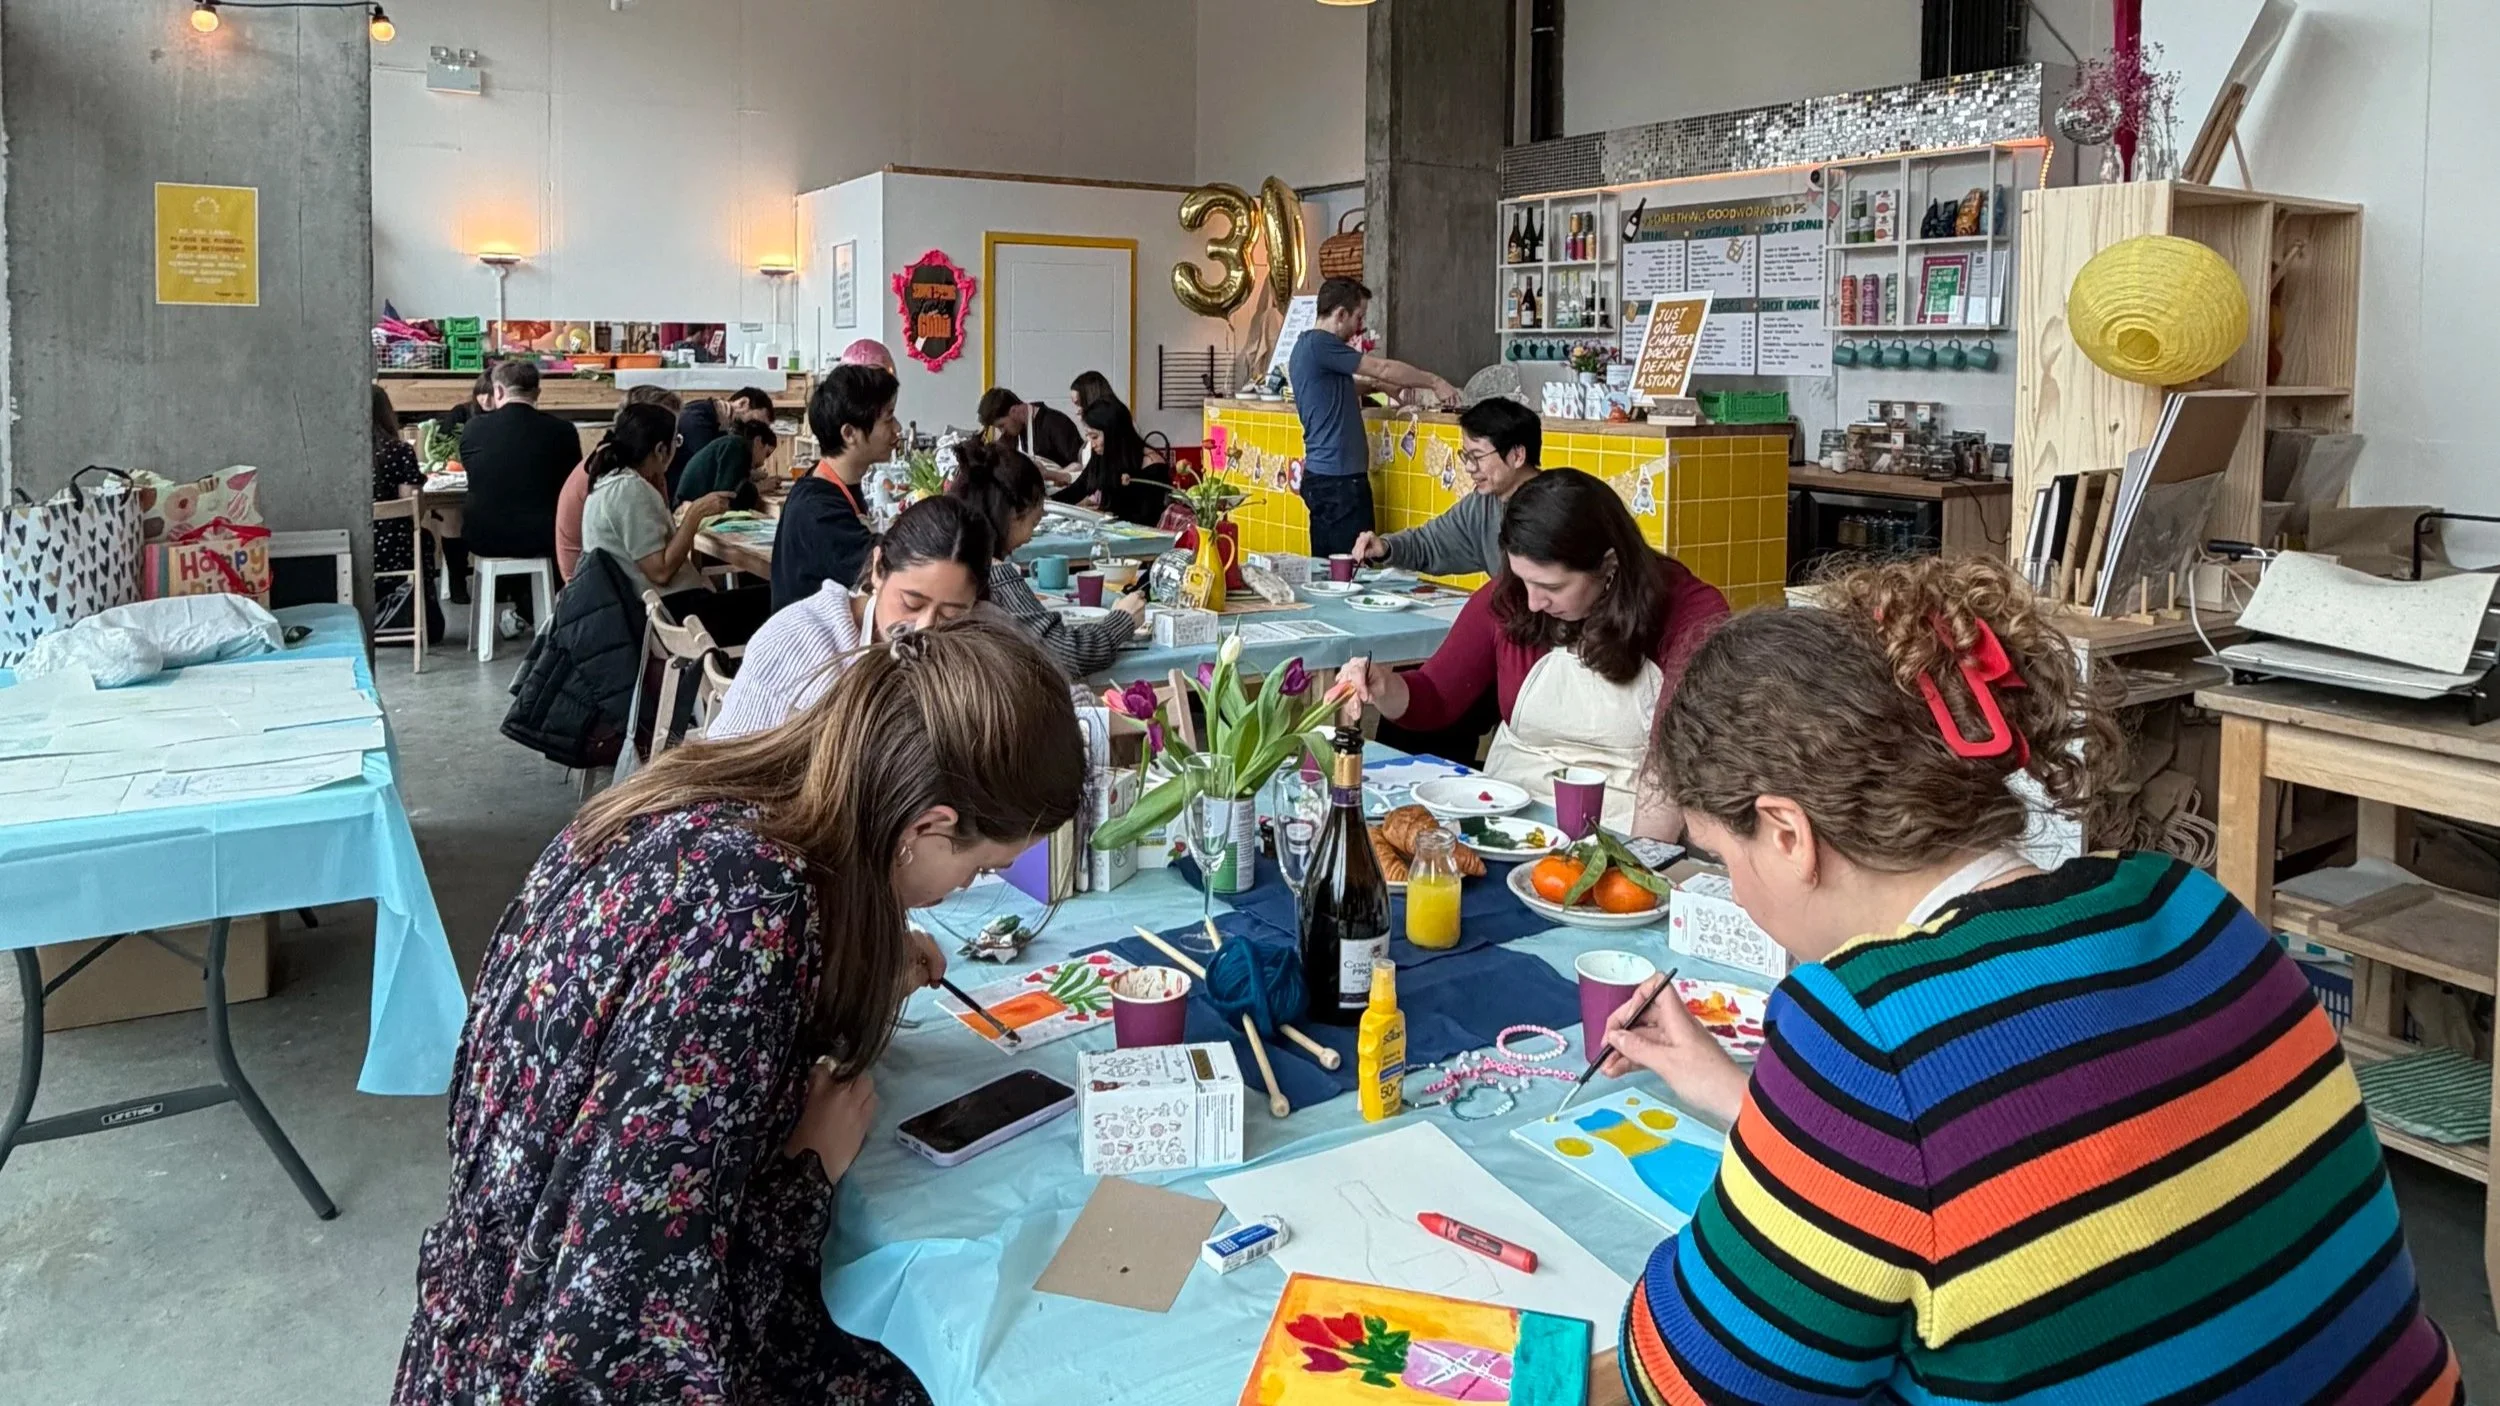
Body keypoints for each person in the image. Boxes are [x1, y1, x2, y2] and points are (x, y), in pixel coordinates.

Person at [1608, 553, 2460, 1405]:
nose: (1735, 889)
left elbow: (1691, 1381)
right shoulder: (2190, 906)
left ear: (1788, 834)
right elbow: (2036, 1147)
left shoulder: (1867, 1033)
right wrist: (1746, 1099)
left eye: (1721, 856)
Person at [395, 619, 1084, 1406]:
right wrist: (809, 1170)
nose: (966, 889)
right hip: (538, 1365)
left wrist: (850, 977)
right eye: (979, 866)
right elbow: (628, 1331)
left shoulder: (700, 805)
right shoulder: (752, 919)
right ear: (926, 827)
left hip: (479, 1309)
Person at [1340, 469, 1725, 838]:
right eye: (1522, 580)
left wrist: (1640, 861)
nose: (1534, 602)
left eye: (1551, 587)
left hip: (1627, 825)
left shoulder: (1690, 613)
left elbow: (1676, 756)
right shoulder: (1511, 599)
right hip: (1507, 815)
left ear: (1609, 566)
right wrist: (1385, 687)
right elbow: (1437, 697)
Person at [712, 495, 992, 740]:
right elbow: (725, 770)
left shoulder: (973, 648)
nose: (925, 627)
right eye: (911, 603)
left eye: (951, 614)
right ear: (879, 570)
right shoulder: (800, 644)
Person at [1289, 277, 1460, 558]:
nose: (1360, 326)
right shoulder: (1322, 345)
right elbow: (1381, 367)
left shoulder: (1307, 347)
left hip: (1328, 479)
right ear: (1341, 314)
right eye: (1358, 316)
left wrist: (1379, 387)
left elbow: (1340, 387)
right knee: (1355, 566)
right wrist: (1434, 381)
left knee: (1330, 567)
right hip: (1339, 483)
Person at [950, 438, 1145, 679]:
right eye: (1034, 522)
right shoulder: (996, 574)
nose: (1030, 537)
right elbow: (1067, 654)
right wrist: (1123, 620)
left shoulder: (952, 556)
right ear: (1013, 515)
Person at [1350, 396, 1540, 579]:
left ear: (1517, 456)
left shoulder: (1556, 508)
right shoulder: (1481, 505)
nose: (1469, 467)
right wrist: (1386, 548)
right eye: (1466, 456)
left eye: (1478, 456)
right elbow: (1429, 544)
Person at [460, 360, 584, 632]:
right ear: (537, 394)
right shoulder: (562, 432)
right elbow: (570, 484)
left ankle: (523, 611)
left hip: (484, 535)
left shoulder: (474, 430)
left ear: (499, 392)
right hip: (544, 535)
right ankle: (537, 612)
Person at [773, 364, 898, 612]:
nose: (897, 428)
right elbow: (889, 568)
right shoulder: (818, 509)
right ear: (849, 433)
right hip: (815, 647)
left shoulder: (830, 486)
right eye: (888, 418)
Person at [579, 402, 735, 597]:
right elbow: (661, 572)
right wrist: (696, 514)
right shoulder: (629, 489)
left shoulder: (610, 480)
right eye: (676, 441)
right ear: (661, 450)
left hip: (659, 605)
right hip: (668, 610)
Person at [559, 384, 681, 582]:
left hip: (615, 577)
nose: (674, 445)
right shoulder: (618, 479)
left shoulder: (631, 467)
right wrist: (693, 518)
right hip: (596, 587)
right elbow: (660, 570)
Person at [370, 383, 443, 644]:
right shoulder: (399, 451)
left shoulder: (344, 455)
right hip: (395, 550)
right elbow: (412, 508)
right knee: (422, 537)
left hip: (355, 547)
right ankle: (418, 620)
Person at [1056, 396, 1172, 526]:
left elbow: (1146, 519)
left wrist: (1102, 515)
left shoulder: (1153, 466)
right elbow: (1078, 488)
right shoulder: (1102, 454)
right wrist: (1045, 503)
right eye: (1088, 436)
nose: (1091, 444)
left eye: (1094, 437)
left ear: (1114, 434)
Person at [673, 385, 774, 498]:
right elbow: (723, 488)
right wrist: (759, 486)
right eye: (757, 423)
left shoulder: (719, 426)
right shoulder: (696, 420)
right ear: (743, 403)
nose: (759, 433)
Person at [672, 418, 778, 511]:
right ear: (758, 441)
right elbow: (728, 495)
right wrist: (760, 487)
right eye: (766, 454)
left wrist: (751, 476)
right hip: (687, 507)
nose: (763, 462)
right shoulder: (736, 446)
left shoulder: (732, 444)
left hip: (692, 503)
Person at [977, 386, 1085, 477]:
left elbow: (1081, 466)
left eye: (1002, 425)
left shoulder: (1055, 423)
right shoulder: (1013, 435)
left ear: (1014, 411)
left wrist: (1050, 474)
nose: (1002, 431)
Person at [441, 368, 495, 434]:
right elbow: (443, 437)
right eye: (482, 393)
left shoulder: (505, 418)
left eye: (492, 394)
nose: (486, 400)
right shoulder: (460, 413)